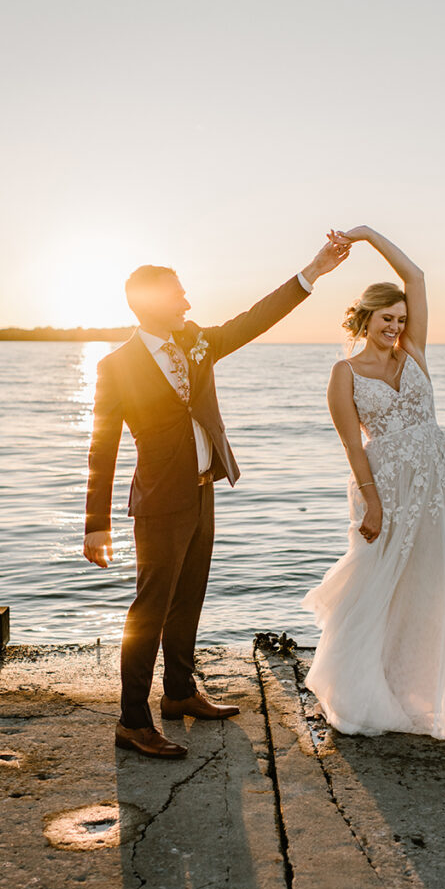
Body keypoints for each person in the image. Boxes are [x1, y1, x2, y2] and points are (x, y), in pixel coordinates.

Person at [83, 236, 349, 759]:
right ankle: (132, 721)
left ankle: (180, 692)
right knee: (149, 612)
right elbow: (102, 447)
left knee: (189, 601)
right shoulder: (118, 366)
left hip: (204, 491)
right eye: (178, 295)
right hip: (159, 502)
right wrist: (97, 523)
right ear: (151, 302)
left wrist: (312, 272)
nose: (187, 302)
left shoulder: (197, 343)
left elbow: (254, 319)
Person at [302, 225, 445, 738]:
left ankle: (412, 696)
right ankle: (357, 694)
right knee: (375, 584)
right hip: (384, 489)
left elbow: (414, 275)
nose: (396, 326)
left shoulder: (414, 352)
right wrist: (372, 503)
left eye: (400, 319)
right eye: (386, 319)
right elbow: (353, 445)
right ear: (365, 319)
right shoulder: (344, 373)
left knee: (426, 589)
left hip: (436, 487)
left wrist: (367, 234)